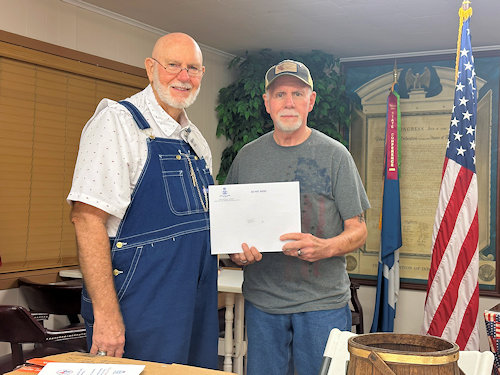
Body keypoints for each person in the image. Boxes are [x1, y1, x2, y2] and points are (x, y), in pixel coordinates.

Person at [67, 33, 218, 368]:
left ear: (202, 75)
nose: (183, 76)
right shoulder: (117, 124)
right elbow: (87, 219)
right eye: (173, 65)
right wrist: (106, 317)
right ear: (151, 68)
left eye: (192, 68)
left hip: (195, 306)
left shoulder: (196, 141)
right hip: (139, 307)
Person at [225, 59, 370, 375]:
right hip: (263, 303)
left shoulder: (335, 155)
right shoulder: (246, 157)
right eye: (279, 95)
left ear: (311, 101)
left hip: (322, 305)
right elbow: (232, 227)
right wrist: (238, 254)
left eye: (297, 93)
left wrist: (325, 247)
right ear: (266, 102)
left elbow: (358, 230)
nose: (288, 102)